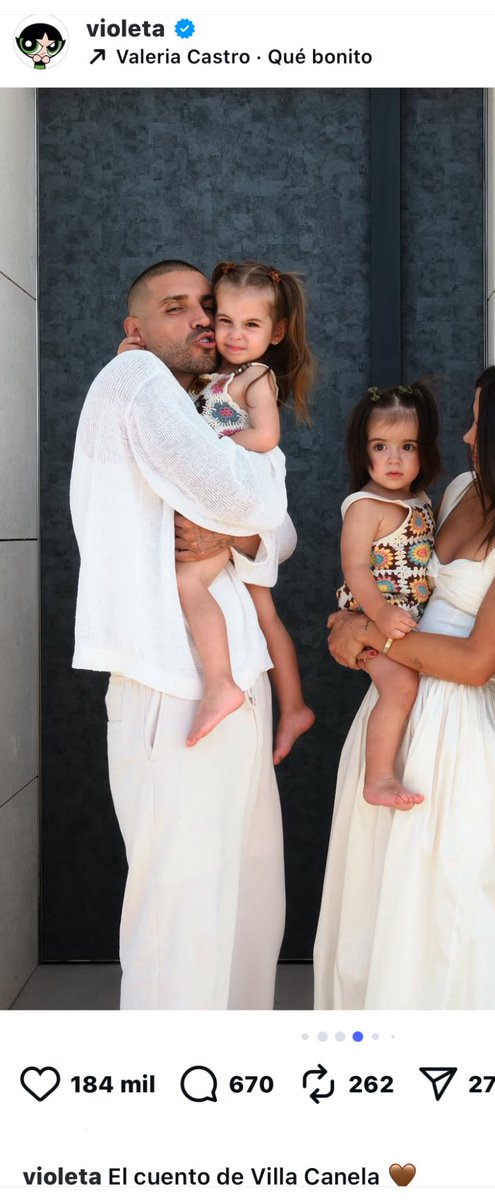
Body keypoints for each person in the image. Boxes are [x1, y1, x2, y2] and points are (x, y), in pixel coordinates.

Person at [314, 354, 495, 1009]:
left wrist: (372, 635)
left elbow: (475, 662)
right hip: (394, 709)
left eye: (479, 424)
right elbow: (401, 589)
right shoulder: (461, 492)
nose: (466, 438)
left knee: (441, 916)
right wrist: (352, 626)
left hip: (453, 738)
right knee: (374, 905)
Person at [71, 259, 295, 1010]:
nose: (203, 319)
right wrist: (246, 520)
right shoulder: (134, 381)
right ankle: (172, 1096)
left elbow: (277, 535)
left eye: (208, 304)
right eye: (176, 308)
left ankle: (233, 1082)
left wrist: (235, 537)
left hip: (231, 677)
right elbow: (247, 499)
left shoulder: (200, 402)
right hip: (173, 682)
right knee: (183, 917)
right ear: (134, 329)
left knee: (244, 904)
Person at [122, 259, 315, 761]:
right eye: (224, 319)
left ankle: (221, 682)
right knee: (265, 610)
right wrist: (132, 357)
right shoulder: (209, 379)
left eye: (249, 325)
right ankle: (294, 707)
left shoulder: (255, 377)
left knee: (190, 582)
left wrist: (215, 444)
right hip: (231, 491)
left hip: (247, 485)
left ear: (275, 332)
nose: (229, 333)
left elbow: (266, 436)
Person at [335, 382, 439, 809]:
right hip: (371, 615)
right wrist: (378, 613)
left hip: (406, 621)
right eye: (380, 446)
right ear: (364, 451)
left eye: (407, 446)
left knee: (414, 689)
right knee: (399, 687)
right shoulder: (364, 505)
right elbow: (355, 567)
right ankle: (378, 778)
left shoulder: (421, 500)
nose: (394, 459)